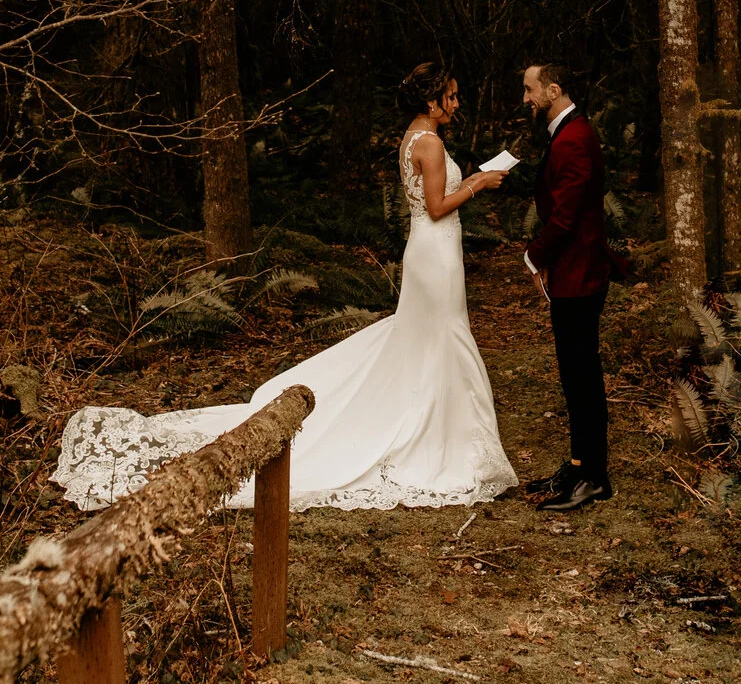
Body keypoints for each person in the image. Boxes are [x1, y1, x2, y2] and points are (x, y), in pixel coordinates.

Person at [51, 61, 519, 511]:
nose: (457, 103)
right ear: (432, 99)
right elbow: (438, 207)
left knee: (429, 336)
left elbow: (432, 199)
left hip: (429, 250)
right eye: (451, 96)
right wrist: (480, 186)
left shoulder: (415, 135)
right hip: (435, 253)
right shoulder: (431, 144)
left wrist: (474, 177)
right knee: (440, 335)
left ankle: (438, 423)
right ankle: (439, 436)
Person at [509, 58, 626, 512]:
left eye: (529, 90)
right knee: (575, 376)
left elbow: (566, 215)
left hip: (580, 274)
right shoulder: (568, 130)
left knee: (582, 378)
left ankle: (594, 477)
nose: (527, 98)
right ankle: (580, 464)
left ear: (552, 90)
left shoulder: (575, 138)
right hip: (575, 272)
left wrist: (533, 255)